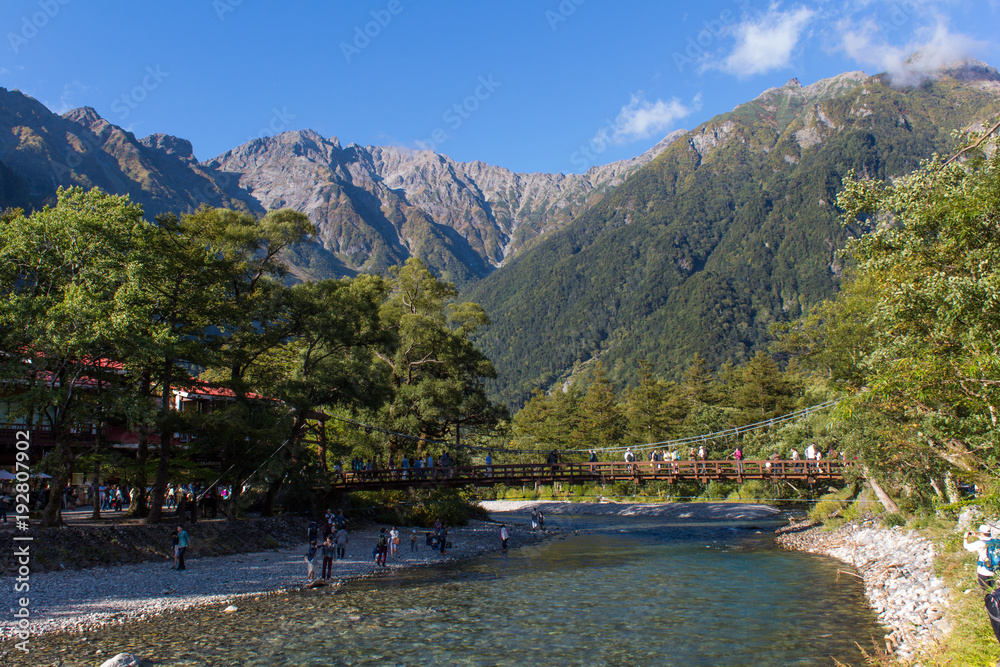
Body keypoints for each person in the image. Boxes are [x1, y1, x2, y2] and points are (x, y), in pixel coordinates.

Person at [965, 524, 997, 591]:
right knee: (996, 592)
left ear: (982, 533)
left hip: (983, 571)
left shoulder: (979, 543)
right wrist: (977, 536)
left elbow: (966, 547)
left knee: (987, 592)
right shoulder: (996, 542)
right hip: (995, 571)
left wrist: (965, 538)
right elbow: (987, 540)